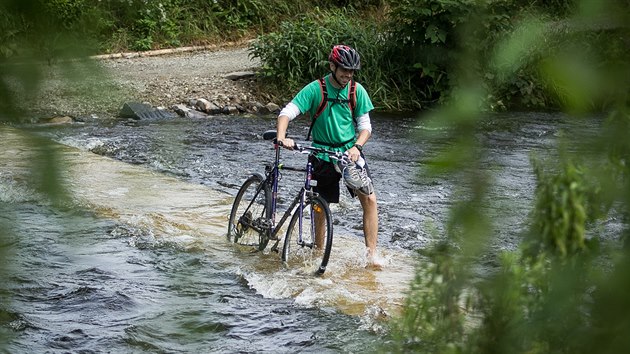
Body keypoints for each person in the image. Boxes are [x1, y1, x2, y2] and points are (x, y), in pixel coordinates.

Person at [275, 44, 382, 268]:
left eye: (352, 71)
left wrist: (357, 147)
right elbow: (287, 112)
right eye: (344, 69)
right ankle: (318, 251)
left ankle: (371, 256)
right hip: (321, 154)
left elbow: (365, 127)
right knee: (320, 206)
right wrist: (282, 136)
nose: (348, 75)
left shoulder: (356, 91)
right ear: (332, 66)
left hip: (348, 154)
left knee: (370, 199)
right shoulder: (316, 89)